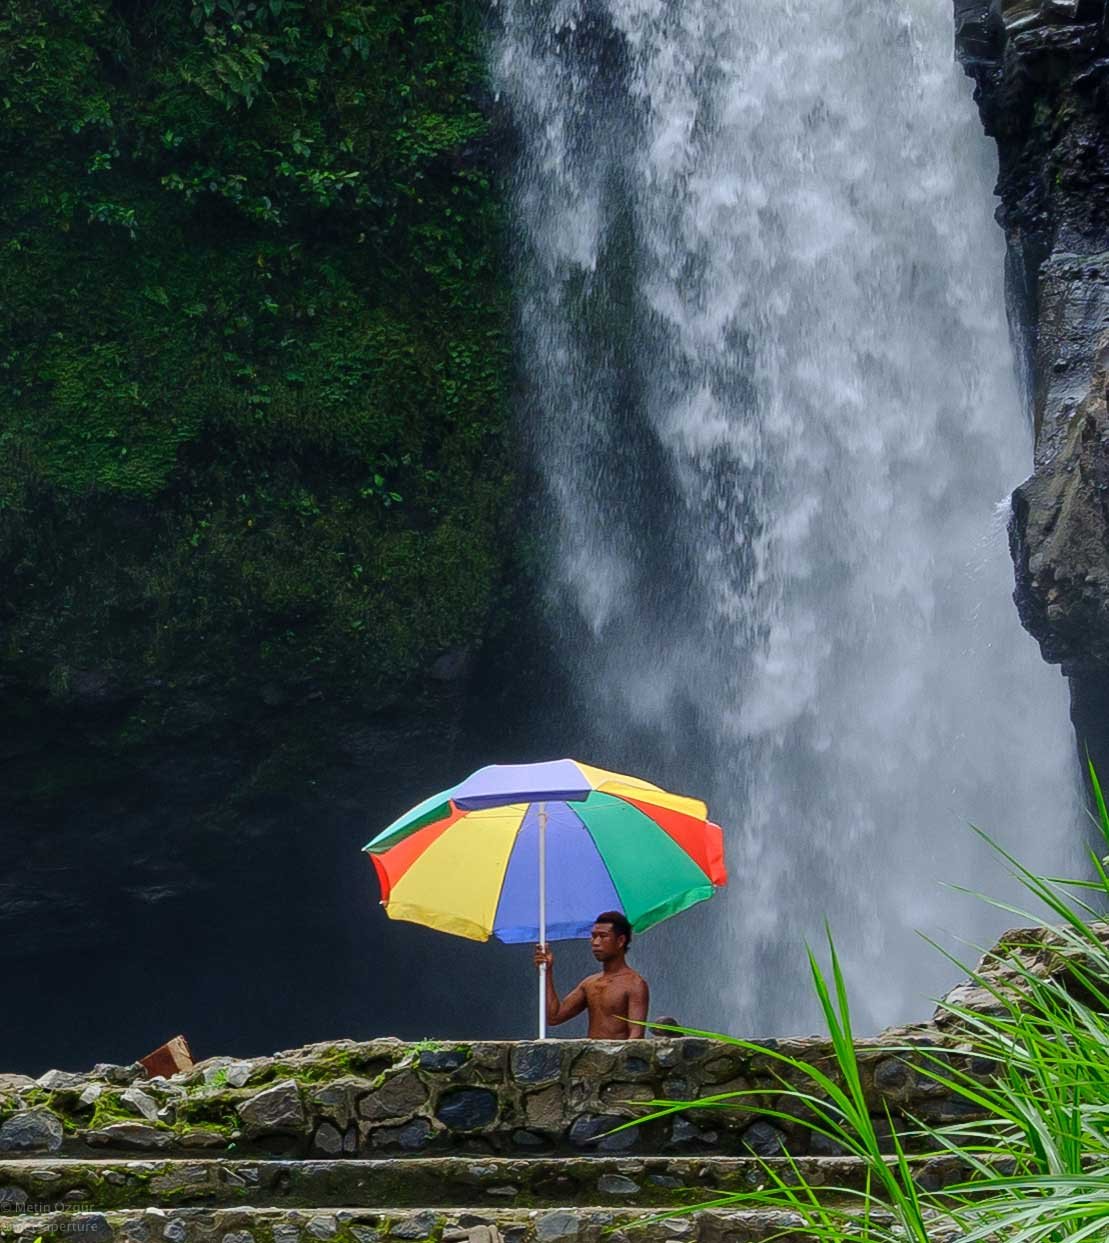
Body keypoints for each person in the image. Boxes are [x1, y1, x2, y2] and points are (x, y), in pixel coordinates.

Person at [532, 910, 649, 1038]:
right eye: (593, 936)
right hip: (591, 1056)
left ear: (620, 941)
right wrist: (547, 971)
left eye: (603, 936)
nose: (595, 942)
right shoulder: (590, 983)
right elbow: (554, 1017)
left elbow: (636, 1036)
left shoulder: (634, 984)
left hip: (617, 1056)